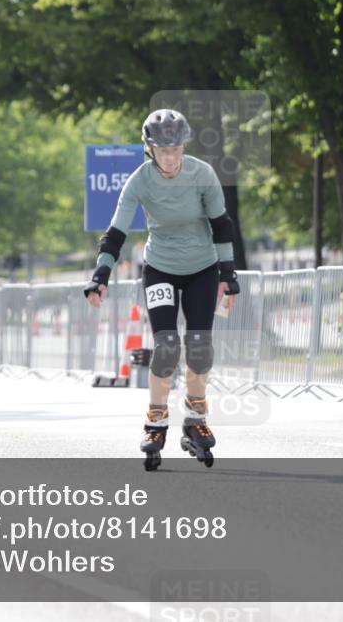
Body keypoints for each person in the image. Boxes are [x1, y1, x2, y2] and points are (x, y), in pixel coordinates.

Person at [83, 109, 239, 470]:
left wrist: (228, 275)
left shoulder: (203, 175)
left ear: (184, 146)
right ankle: (155, 422)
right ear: (149, 148)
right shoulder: (139, 181)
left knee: (199, 347)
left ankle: (196, 418)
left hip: (202, 269)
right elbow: (116, 231)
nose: (170, 157)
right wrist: (100, 275)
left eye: (176, 149)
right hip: (160, 269)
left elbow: (222, 226)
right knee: (167, 346)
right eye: (162, 150)